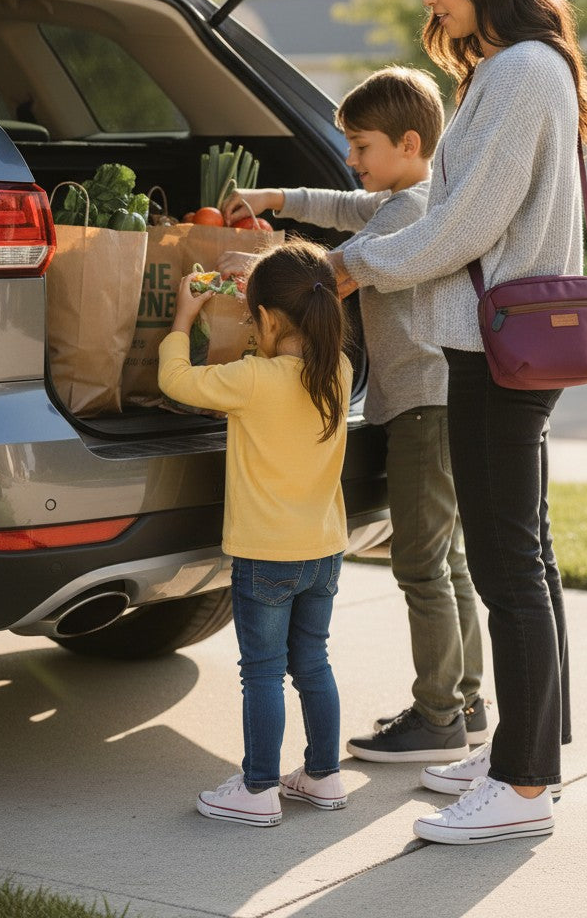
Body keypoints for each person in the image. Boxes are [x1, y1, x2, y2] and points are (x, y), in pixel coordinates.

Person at [327, 0, 587, 846]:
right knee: (521, 554)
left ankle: (524, 788)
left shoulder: (524, 71)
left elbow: (463, 223)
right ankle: (526, 759)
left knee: (506, 564)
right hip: (498, 343)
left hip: (496, 350)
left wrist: (352, 264)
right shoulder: (515, 69)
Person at [221, 66, 487, 765]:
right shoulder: (411, 194)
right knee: (448, 558)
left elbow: (323, 276)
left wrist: (244, 275)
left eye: (361, 146)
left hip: (423, 406)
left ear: (406, 143)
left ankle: (438, 718)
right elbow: (341, 206)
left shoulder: (408, 211)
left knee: (421, 565)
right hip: (439, 398)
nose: (350, 158)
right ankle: (465, 698)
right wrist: (275, 198)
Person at [157, 241, 353, 827]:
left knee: (262, 670)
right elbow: (278, 353)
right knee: (312, 662)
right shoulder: (338, 371)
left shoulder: (250, 380)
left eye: (252, 317)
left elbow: (175, 381)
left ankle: (259, 788)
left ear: (265, 319)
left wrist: (184, 318)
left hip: (266, 555)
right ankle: (323, 775)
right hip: (323, 550)